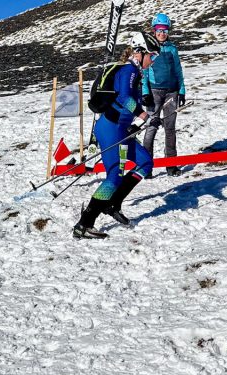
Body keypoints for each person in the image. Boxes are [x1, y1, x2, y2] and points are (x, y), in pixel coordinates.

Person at [73, 39, 154, 239]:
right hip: (110, 129)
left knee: (145, 163)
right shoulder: (130, 70)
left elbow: (129, 98)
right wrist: (144, 116)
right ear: (139, 53)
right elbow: (124, 99)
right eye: (152, 56)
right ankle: (84, 224)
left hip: (121, 129)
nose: (153, 60)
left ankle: (113, 203)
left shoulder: (136, 73)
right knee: (113, 177)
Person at [142, 12, 186, 175]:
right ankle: (145, 167)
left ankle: (171, 165)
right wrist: (145, 92)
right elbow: (144, 71)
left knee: (170, 128)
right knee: (151, 127)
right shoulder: (148, 48)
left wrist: (181, 90)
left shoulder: (172, 49)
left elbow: (178, 70)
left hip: (172, 92)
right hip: (154, 92)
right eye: (159, 30)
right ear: (154, 30)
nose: (162, 33)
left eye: (165, 30)